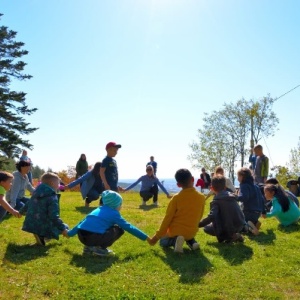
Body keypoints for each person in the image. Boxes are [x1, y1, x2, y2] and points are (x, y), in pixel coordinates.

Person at [66, 190, 151, 256]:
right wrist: (146, 237)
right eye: (120, 204)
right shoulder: (114, 214)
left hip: (82, 237)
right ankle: (100, 249)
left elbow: (81, 223)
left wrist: (69, 233)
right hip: (94, 237)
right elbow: (129, 227)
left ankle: (88, 247)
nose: (121, 206)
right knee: (119, 229)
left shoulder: (97, 209)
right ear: (115, 205)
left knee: (97, 228)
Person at [149, 168, 206, 253]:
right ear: (192, 179)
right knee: (187, 234)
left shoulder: (176, 198)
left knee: (163, 241)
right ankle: (192, 242)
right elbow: (200, 216)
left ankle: (175, 241)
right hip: (192, 231)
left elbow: (167, 219)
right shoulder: (202, 197)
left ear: (178, 185)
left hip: (176, 231)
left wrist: (156, 237)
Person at [20, 172, 69, 246]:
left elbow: (27, 204)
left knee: (41, 220)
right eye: (58, 183)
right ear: (52, 183)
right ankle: (44, 236)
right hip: (43, 225)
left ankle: (41, 236)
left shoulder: (35, 193)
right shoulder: (51, 196)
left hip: (31, 224)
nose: (59, 185)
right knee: (66, 226)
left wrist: (20, 212)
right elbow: (53, 216)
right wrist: (63, 229)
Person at [199, 175, 245, 243]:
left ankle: (228, 237)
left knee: (206, 228)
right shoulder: (232, 196)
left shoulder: (216, 201)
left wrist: (198, 224)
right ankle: (233, 235)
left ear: (212, 188)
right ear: (225, 187)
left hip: (229, 227)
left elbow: (212, 216)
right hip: (240, 224)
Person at [237, 167, 265, 235]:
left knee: (238, 224)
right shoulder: (256, 186)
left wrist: (234, 197)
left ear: (242, 176)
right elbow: (262, 200)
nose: (237, 178)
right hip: (257, 213)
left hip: (249, 212)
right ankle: (254, 223)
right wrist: (264, 211)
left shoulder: (244, 186)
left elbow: (244, 197)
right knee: (248, 219)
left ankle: (249, 225)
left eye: (238, 176)